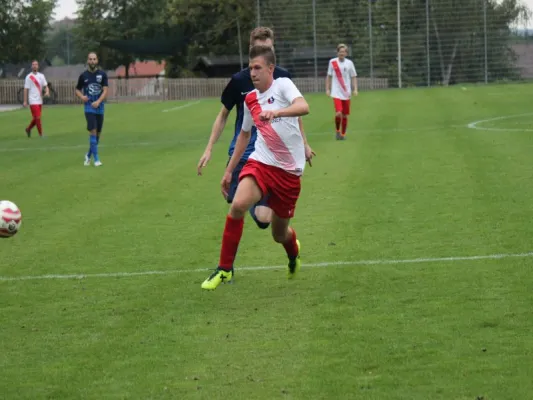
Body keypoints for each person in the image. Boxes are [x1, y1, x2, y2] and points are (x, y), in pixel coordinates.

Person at [201, 44, 310, 290]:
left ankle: (293, 252)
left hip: (289, 173)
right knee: (238, 204)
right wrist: (229, 171)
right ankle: (225, 269)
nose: (253, 72)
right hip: (261, 161)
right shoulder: (250, 98)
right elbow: (243, 135)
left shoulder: (282, 85)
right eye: (251, 68)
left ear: (271, 68)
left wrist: (277, 112)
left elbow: (304, 107)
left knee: (279, 235)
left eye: (258, 68)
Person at [197, 27, 315, 230]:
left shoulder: (283, 78)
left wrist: (304, 143)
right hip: (243, 151)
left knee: (263, 219)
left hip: (271, 155)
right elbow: (223, 115)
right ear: (251, 48)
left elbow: (296, 111)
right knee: (235, 202)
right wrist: (209, 148)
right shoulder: (239, 80)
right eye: (258, 48)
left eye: (267, 48)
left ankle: (281, 229)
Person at [75, 52, 109, 167]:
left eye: (94, 59)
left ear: (97, 60)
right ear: (87, 61)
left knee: (98, 134)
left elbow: (105, 90)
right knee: (93, 131)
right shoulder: (83, 76)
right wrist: (82, 97)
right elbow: (77, 90)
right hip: (89, 108)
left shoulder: (102, 75)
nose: (92, 61)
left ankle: (88, 155)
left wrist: (99, 101)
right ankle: (96, 159)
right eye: (90, 59)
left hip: (100, 107)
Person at [326, 43, 358, 140]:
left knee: (345, 115)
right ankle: (337, 131)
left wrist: (355, 89)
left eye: (343, 52)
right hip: (336, 92)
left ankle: (343, 134)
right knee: (338, 113)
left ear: (346, 53)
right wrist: (327, 89)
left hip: (346, 92)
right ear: (337, 52)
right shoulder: (332, 62)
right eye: (340, 52)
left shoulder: (349, 63)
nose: (342, 53)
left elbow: (353, 77)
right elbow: (329, 76)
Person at [23, 60, 49, 138]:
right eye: (33, 64)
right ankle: (41, 135)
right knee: (37, 118)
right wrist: (25, 101)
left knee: (36, 118)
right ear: (31, 66)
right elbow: (25, 89)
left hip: (39, 100)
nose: (34, 66)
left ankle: (28, 129)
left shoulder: (41, 76)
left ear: (38, 66)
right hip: (32, 100)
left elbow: (45, 85)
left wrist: (47, 91)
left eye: (36, 64)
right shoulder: (28, 77)